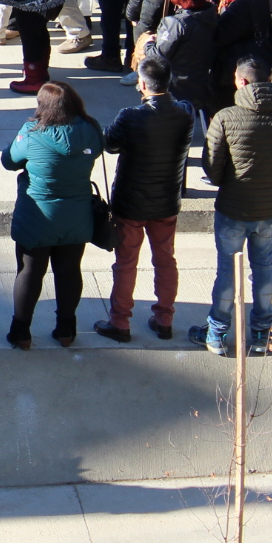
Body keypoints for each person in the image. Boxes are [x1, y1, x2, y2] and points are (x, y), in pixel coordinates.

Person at [194, 56, 272, 354]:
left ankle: (217, 333)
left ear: (242, 81)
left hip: (232, 208)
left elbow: (212, 166)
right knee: (263, 271)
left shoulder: (225, 117)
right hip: (270, 210)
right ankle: (259, 334)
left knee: (227, 272)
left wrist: (228, 182)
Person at [94, 56, 193, 344]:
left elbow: (110, 143)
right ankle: (164, 319)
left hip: (131, 204)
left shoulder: (131, 115)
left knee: (126, 263)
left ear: (142, 83)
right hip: (166, 201)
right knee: (165, 260)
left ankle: (120, 321)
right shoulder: (185, 112)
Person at [2, 80, 102, 349]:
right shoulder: (90, 130)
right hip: (77, 217)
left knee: (30, 273)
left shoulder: (32, 132)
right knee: (69, 272)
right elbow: (99, 150)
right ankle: (66, 330)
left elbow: (8, 161)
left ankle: (21, 332)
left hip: (37, 219)